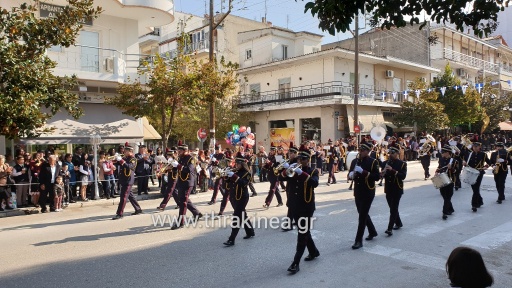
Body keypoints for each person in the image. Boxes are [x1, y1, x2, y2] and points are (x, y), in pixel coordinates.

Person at [284, 144, 320, 274]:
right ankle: (314, 251)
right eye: (299, 159)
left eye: (303, 159)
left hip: (306, 207)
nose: (300, 161)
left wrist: (302, 174)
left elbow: (314, 183)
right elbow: (281, 178)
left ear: (308, 160)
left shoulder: (313, 171)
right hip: (294, 206)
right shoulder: (294, 169)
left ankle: (295, 262)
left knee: (302, 234)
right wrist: (285, 169)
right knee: (303, 231)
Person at [348, 141, 380, 249]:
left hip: (368, 191)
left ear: (368, 151)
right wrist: (350, 175)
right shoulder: (354, 161)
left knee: (362, 217)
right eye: (360, 150)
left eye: (363, 150)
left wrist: (364, 172)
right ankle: (372, 231)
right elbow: (350, 174)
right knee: (362, 213)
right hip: (358, 191)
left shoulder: (373, 162)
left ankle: (358, 241)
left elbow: (377, 177)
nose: (360, 152)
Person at [222, 152, 255, 246]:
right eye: (235, 163)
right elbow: (227, 184)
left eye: (238, 164)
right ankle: (250, 232)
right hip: (233, 197)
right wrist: (226, 175)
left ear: (242, 164)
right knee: (242, 215)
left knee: (237, 216)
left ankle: (232, 239)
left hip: (242, 197)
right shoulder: (235, 171)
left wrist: (233, 176)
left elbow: (244, 183)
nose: (236, 165)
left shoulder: (247, 173)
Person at [169, 140, 203, 229]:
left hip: (187, 182)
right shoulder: (180, 158)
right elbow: (178, 169)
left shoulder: (191, 159)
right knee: (185, 200)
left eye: (180, 151)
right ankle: (197, 213)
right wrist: (172, 167)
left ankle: (180, 222)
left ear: (185, 150)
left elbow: (189, 170)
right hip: (181, 181)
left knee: (182, 202)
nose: (178, 153)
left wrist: (178, 166)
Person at [381, 144, 407, 236]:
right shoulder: (385, 163)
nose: (390, 154)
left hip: (397, 188)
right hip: (388, 188)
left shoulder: (402, 164)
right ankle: (398, 223)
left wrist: (393, 170)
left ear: (397, 153)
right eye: (390, 153)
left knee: (393, 208)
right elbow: (381, 175)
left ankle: (389, 228)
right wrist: (382, 173)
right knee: (392, 207)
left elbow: (403, 176)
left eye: (393, 153)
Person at [112, 144, 142, 220]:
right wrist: (115, 158)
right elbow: (118, 163)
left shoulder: (133, 159)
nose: (124, 152)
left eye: (125, 151)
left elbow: (129, 166)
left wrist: (121, 160)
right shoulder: (125, 158)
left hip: (128, 180)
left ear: (130, 151)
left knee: (123, 197)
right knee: (130, 196)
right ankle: (138, 209)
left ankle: (120, 213)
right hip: (124, 180)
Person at [462, 140, 491, 212]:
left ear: (479, 147)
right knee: (475, 189)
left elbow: (489, 162)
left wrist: (485, 166)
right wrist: (464, 163)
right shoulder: (469, 154)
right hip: (471, 173)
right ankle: (480, 200)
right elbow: (465, 161)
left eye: (476, 147)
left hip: (479, 172)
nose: (474, 148)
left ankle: (474, 205)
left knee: (476, 188)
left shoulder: (483, 154)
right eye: (474, 146)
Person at [278, 142, 299, 231]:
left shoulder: (298, 162)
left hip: (296, 186)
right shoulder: (289, 161)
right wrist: (281, 169)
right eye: (289, 153)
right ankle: (297, 220)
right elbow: (282, 177)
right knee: (292, 204)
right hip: (289, 186)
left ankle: (288, 224)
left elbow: (294, 175)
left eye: (291, 153)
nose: (289, 155)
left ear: (295, 154)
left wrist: (288, 168)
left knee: (291, 204)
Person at [436, 145, 459, 220]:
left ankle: (444, 212)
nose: (442, 153)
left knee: (448, 197)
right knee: (444, 196)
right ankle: (450, 209)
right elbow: (439, 167)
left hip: (450, 181)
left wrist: (451, 168)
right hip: (441, 179)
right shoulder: (441, 159)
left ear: (448, 153)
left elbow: (456, 171)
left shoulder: (454, 161)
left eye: (443, 152)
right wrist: (436, 172)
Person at [263, 143, 283, 209]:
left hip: (276, 176)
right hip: (270, 175)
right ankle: (280, 202)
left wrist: (270, 163)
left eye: (272, 150)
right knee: (276, 190)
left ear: (275, 151)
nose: (271, 152)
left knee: (272, 189)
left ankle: (267, 203)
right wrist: (265, 165)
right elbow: (268, 166)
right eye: (270, 150)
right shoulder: (269, 157)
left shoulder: (279, 157)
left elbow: (279, 167)